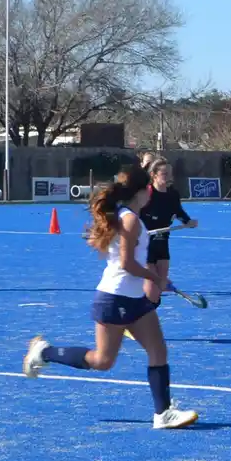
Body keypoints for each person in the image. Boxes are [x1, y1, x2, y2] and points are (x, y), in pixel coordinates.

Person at [22, 164, 199, 429]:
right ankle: (44, 352)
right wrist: (155, 278)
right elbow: (127, 264)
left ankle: (163, 414)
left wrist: (155, 278)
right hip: (115, 299)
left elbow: (133, 261)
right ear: (143, 191)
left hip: (133, 299)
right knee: (102, 361)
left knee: (158, 350)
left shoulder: (129, 217)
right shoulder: (129, 219)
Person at [139, 158, 198, 304]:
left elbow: (178, 211)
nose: (168, 176)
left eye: (170, 173)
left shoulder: (173, 194)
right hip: (144, 244)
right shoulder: (146, 194)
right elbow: (133, 214)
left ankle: (141, 319)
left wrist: (188, 221)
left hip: (162, 243)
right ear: (153, 175)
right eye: (164, 173)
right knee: (152, 289)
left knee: (159, 288)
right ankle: (137, 320)